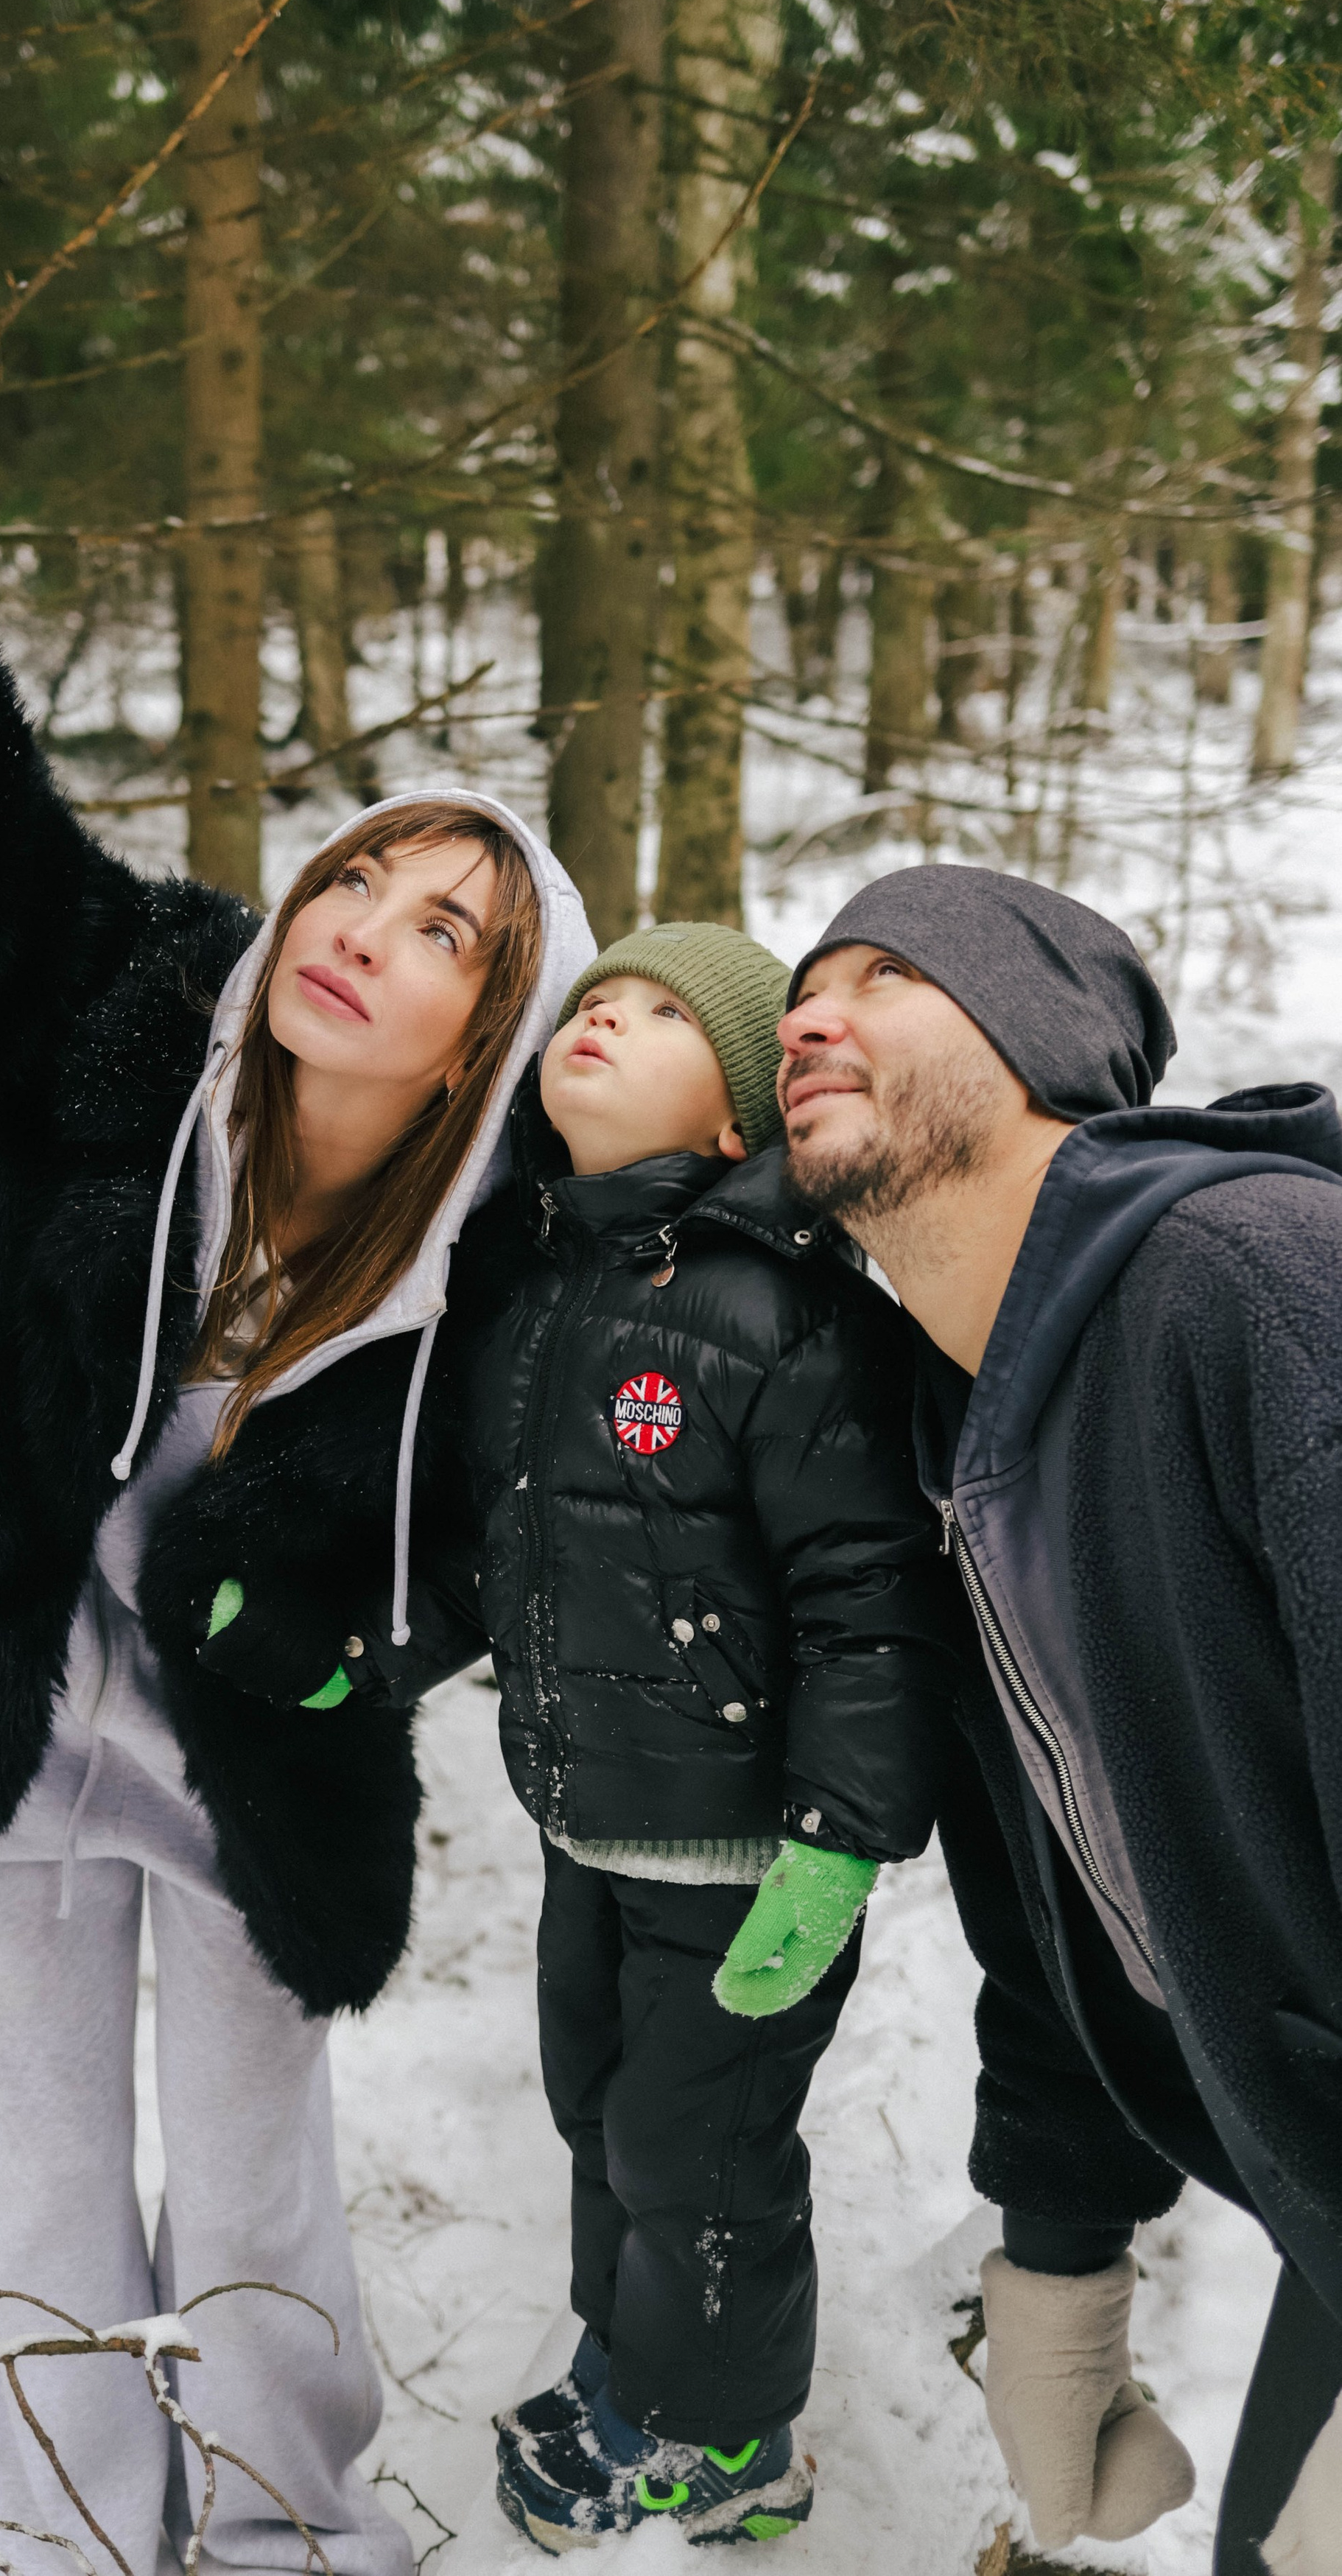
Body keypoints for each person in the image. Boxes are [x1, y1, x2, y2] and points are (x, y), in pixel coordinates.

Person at [0, 180, 599, 2576]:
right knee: (38, 2161)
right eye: (359, 882)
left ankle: (287, 2527)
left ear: (500, 1020)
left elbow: (504, 1526)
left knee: (259, 2168)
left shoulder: (496, 1262)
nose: (368, 933)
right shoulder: (99, 1007)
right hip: (5, 1688)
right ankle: (54, 2528)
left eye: (447, 928)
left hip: (254, 1754)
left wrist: (363, 1637)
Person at [776, 863, 1342, 2576]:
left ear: (1040, 1040)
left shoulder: (1255, 1288)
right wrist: (1057, 2263)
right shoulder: (964, 1433)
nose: (808, 1012)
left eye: (883, 976)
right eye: (803, 988)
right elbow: (1065, 1908)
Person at [426, 921, 959, 2551]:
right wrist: (367, 1656)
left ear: (733, 1121)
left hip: (741, 1851)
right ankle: (630, 2365)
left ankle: (731, 2444)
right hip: (589, 1817)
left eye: (656, 1016)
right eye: (593, 1002)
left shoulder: (784, 1320)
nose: (602, 1021)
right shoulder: (538, 1295)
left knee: (700, 2151)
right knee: (597, 2106)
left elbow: (869, 1596)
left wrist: (839, 1838)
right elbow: (508, 1546)